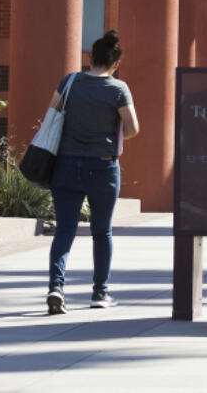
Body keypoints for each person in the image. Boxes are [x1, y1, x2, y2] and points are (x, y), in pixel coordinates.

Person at [45, 30, 140, 315]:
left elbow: (52, 115)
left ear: (90, 57)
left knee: (64, 230)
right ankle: (100, 291)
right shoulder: (119, 89)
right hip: (103, 166)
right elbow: (133, 128)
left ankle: (56, 287)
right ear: (116, 63)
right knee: (102, 231)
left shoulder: (69, 82)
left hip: (66, 165)